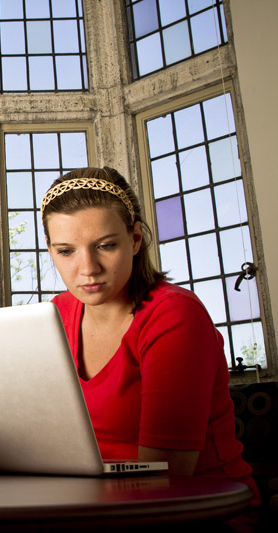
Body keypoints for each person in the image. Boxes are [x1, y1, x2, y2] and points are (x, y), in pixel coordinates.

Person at [40, 167, 260, 507]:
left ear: (136, 239)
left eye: (106, 245)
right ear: (50, 249)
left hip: (194, 512)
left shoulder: (174, 315)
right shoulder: (55, 314)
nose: (88, 268)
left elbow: (165, 478)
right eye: (66, 251)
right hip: (82, 504)